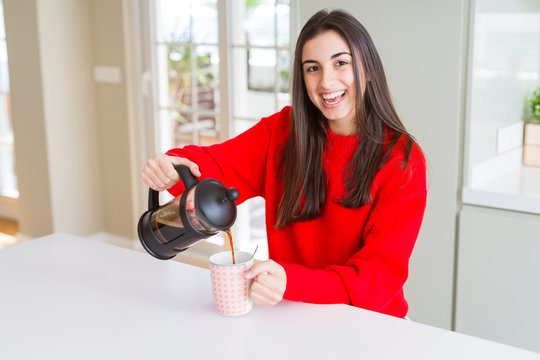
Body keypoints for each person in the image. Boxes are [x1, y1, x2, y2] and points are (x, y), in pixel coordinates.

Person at [141, 9, 427, 318]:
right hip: (291, 316)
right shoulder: (282, 132)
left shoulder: (402, 161)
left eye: (341, 63)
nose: (326, 81)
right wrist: (173, 165)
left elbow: (377, 280)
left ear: (368, 69)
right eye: (312, 68)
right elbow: (216, 166)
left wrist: (292, 282)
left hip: (370, 323)